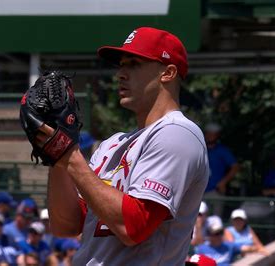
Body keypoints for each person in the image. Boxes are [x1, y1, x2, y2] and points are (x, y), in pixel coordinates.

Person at [33, 27, 209, 264]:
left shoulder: (178, 133)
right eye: (121, 65)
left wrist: (71, 156)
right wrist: (56, 157)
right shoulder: (112, 144)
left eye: (134, 64)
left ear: (167, 73)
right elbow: (67, 225)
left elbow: (133, 227)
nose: (121, 74)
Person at [203, 123, 239, 216]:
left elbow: (235, 167)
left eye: (213, 134)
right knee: (199, 219)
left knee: (216, 220)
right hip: (199, 189)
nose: (210, 136)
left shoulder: (222, 150)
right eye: (208, 133)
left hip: (215, 190)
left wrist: (223, 182)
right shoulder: (200, 147)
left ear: (217, 135)